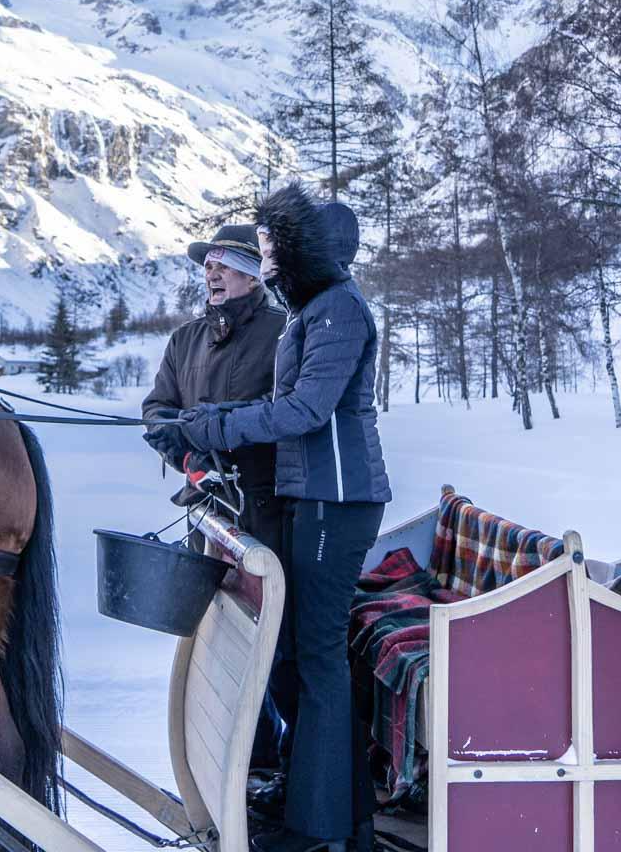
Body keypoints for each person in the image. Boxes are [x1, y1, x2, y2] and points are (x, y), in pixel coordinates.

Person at [145, 183, 390, 852]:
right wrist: (201, 434)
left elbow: (307, 411)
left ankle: (323, 827)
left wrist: (218, 424)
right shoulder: (315, 311)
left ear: (310, 250)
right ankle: (329, 813)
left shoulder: (338, 313)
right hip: (311, 495)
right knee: (310, 658)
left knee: (315, 659)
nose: (268, 257)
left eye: (274, 247)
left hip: (335, 498)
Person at [140, 223, 288, 769]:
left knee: (268, 639)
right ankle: (241, 756)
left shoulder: (282, 334)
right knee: (218, 632)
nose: (211, 271)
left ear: (252, 273)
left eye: (223, 262)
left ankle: (275, 758)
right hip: (207, 512)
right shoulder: (185, 340)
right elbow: (156, 413)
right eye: (208, 264)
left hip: (268, 509)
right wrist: (190, 463)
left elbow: (287, 417)